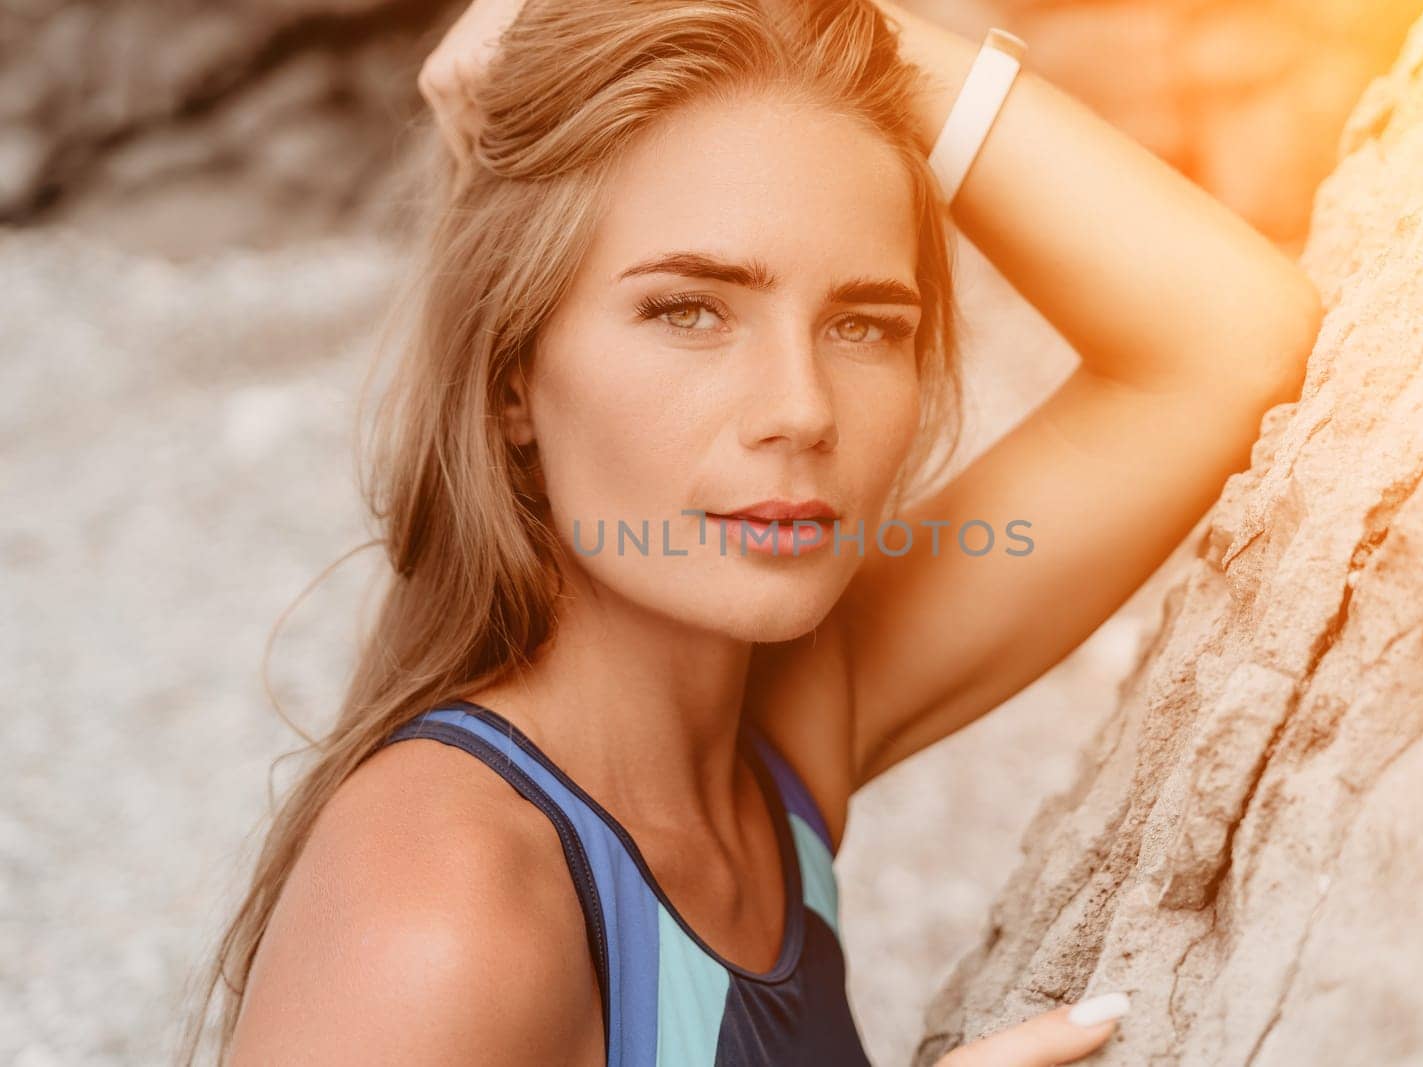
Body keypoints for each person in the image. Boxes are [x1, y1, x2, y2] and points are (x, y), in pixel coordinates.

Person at [189, 0, 1322, 1063]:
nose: (800, 409)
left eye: (865, 326)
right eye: (689, 310)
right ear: (510, 381)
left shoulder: (779, 728)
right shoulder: (445, 896)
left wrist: (839, 26)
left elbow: (1226, 341)